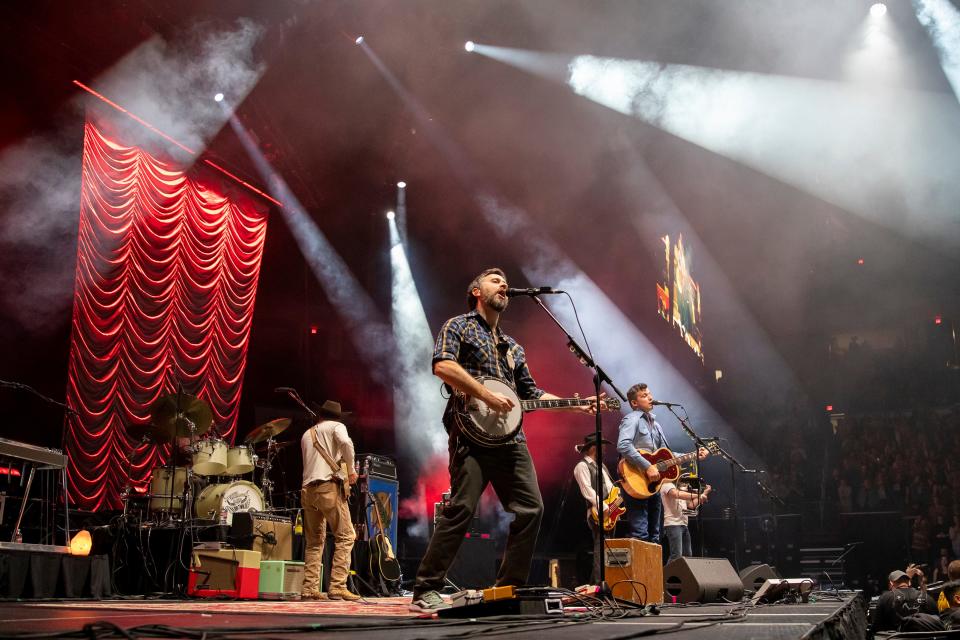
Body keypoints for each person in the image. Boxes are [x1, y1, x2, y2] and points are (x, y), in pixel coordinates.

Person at [410, 267, 602, 613]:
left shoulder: (513, 347)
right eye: (494, 280)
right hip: (470, 432)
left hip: (511, 439)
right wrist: (486, 394)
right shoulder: (459, 326)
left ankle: (509, 588)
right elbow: (442, 366)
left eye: (505, 281)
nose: (504, 284)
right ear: (476, 291)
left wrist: (576, 405)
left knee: (532, 508)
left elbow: (531, 395)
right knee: (462, 509)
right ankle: (426, 588)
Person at [616, 383, 707, 543]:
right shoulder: (631, 419)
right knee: (641, 534)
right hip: (636, 479)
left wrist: (693, 455)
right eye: (644, 395)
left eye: (650, 394)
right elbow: (623, 445)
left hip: (654, 484)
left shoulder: (656, 425)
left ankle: (652, 568)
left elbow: (667, 455)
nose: (650, 397)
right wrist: (647, 466)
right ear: (634, 403)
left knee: (655, 536)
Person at [300, 400, 360, 601]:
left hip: (308, 490)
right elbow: (346, 443)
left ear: (320, 415)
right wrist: (351, 470)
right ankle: (337, 586)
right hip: (327, 488)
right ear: (337, 417)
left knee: (314, 542)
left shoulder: (306, 434)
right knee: (346, 536)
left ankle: (309, 589)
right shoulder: (337, 426)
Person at [572, 433, 616, 584]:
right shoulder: (582, 466)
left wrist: (616, 500)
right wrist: (602, 505)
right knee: (600, 548)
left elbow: (610, 487)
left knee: (608, 548)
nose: (604, 448)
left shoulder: (601, 466)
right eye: (601, 445)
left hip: (610, 511)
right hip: (596, 511)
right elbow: (587, 490)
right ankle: (598, 584)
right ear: (593, 448)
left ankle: (600, 584)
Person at [871, 566, 942, 633]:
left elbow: (877, 627)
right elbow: (938, 623)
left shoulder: (884, 598)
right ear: (909, 582)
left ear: (891, 584)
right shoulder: (926, 597)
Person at [660, 478, 711, 564]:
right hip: (673, 524)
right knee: (676, 555)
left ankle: (681, 576)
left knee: (687, 555)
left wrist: (704, 493)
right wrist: (699, 494)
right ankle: (665, 577)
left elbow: (691, 505)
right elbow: (676, 494)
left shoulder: (681, 490)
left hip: (683, 524)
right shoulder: (667, 485)